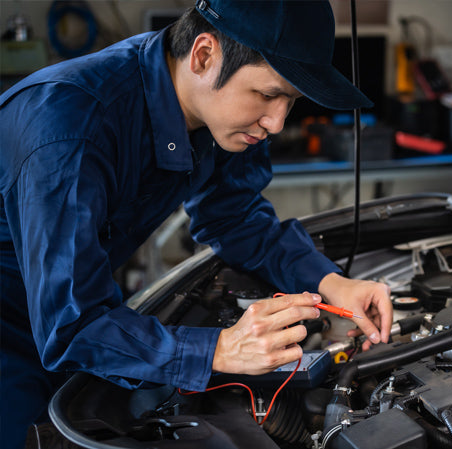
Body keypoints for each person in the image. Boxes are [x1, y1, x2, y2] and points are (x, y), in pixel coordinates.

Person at [0, 1, 393, 447]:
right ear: (204, 55)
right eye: (267, 94)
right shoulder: (69, 127)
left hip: (70, 301)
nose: (277, 123)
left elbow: (236, 216)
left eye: (291, 101)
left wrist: (330, 282)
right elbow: (72, 327)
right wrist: (220, 349)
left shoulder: (226, 116)